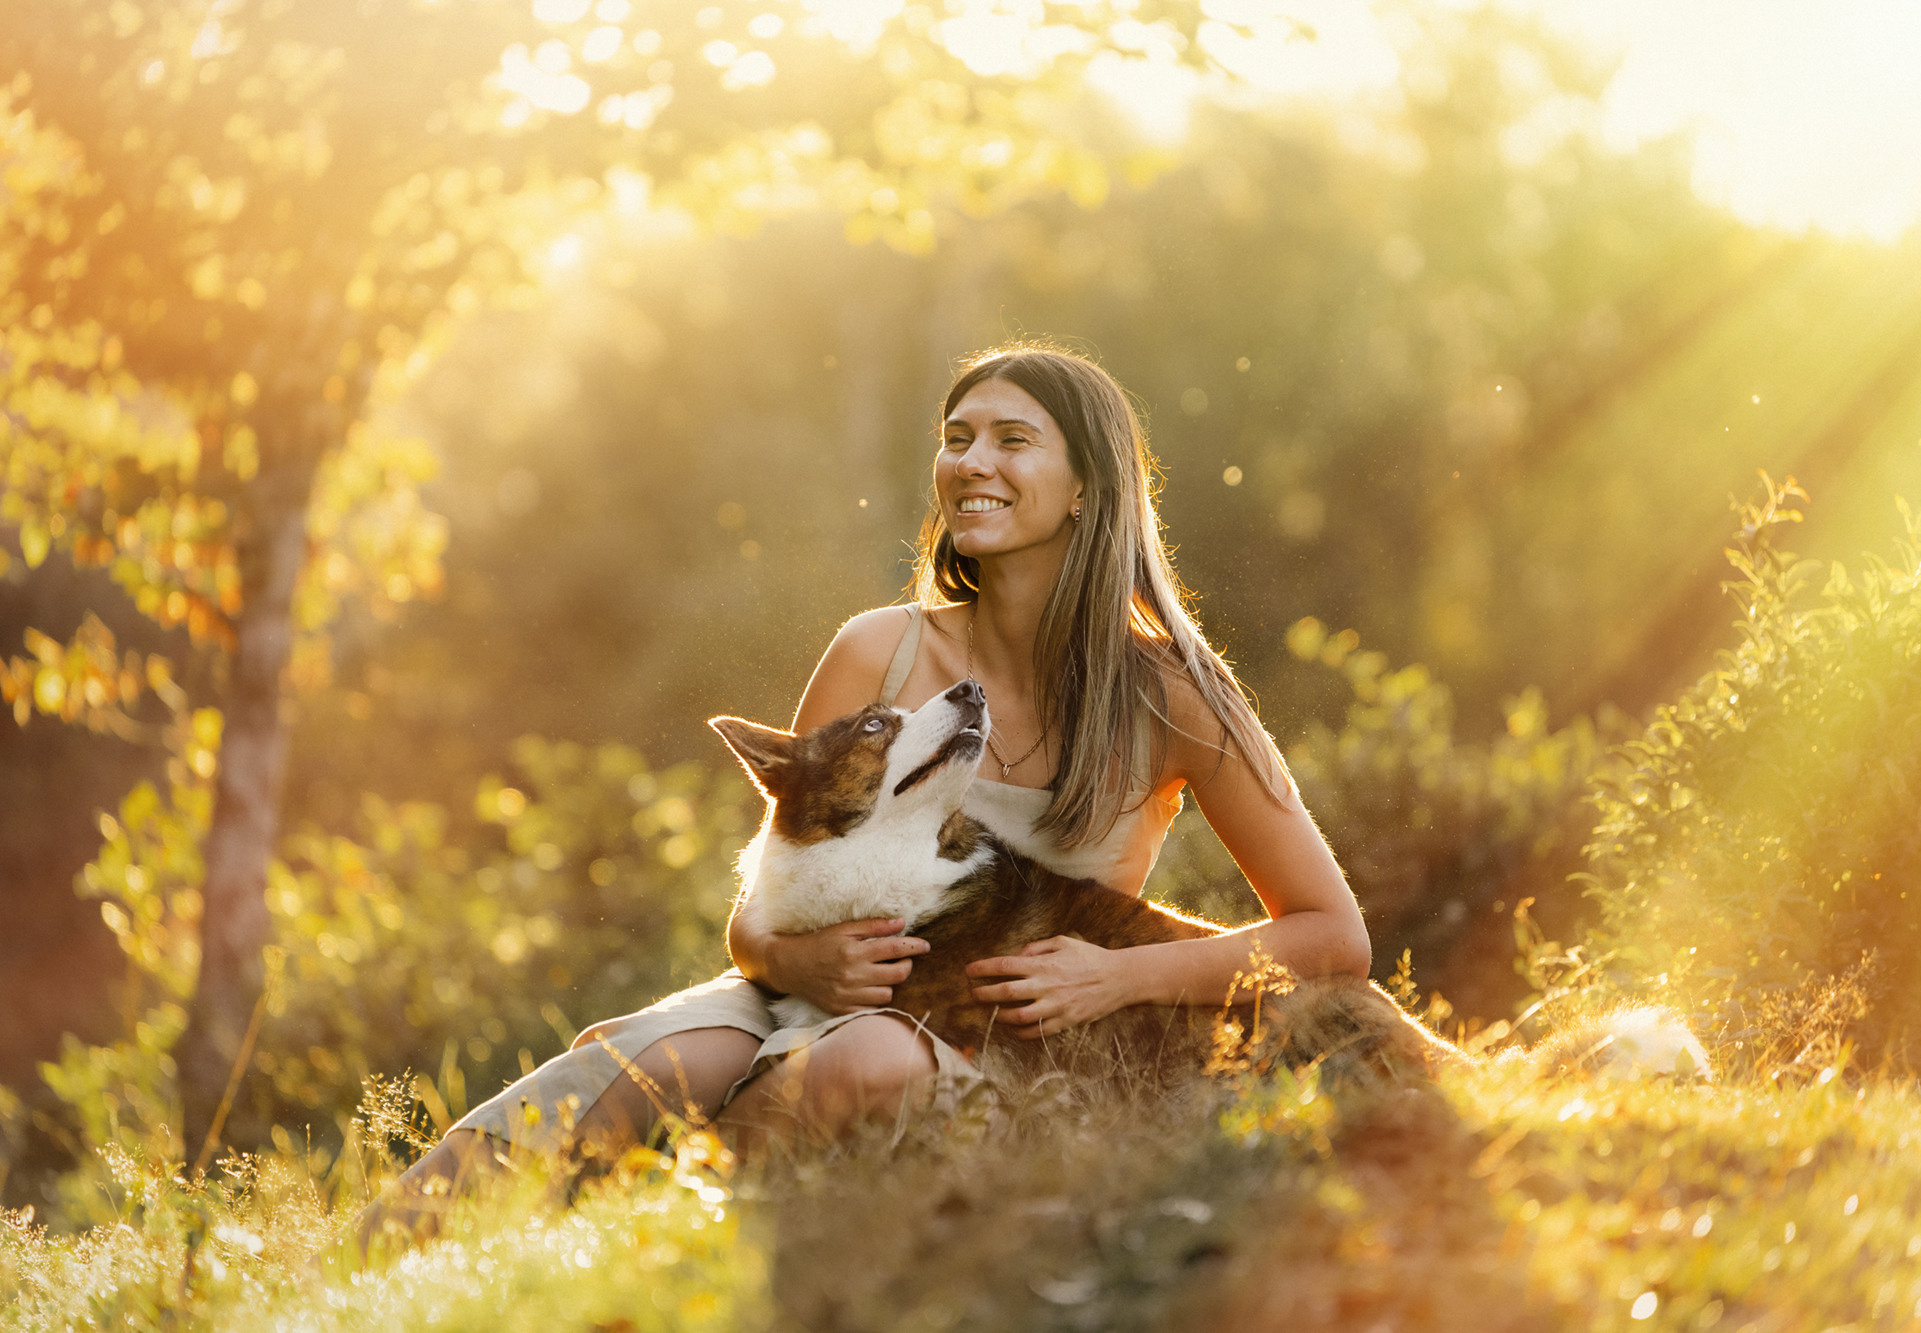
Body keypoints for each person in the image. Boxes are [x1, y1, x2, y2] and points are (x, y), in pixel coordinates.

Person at [356, 343, 1370, 1246]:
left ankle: (688, 1224)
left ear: (1085, 489)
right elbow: (758, 909)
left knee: (871, 1066)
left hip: (1000, 1035)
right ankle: (352, 1271)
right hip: (801, 990)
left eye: (1012, 440)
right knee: (639, 1070)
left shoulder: (1172, 692)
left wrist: (1117, 978)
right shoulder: (876, 652)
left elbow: (1330, 936)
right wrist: (800, 957)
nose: (969, 462)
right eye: (956, 437)